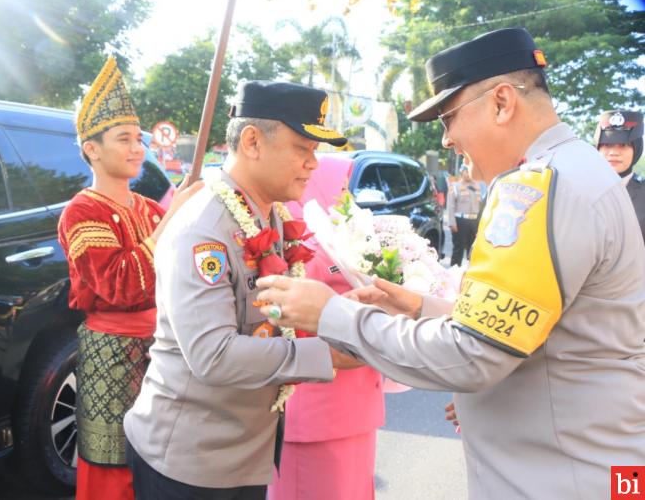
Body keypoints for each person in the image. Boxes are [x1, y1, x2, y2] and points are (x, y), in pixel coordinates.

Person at [256, 28, 645, 499]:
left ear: (502, 102)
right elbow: (543, 331)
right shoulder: (578, 169)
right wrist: (421, 308)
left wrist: (332, 314)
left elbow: (471, 355)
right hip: (588, 465)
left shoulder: (538, 189)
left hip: (562, 475)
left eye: (449, 118)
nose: (446, 141)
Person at [123, 80, 358, 500]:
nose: (312, 164)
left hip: (244, 451)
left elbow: (278, 313)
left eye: (315, 152)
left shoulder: (273, 218)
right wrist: (329, 353)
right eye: (302, 149)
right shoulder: (204, 229)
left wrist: (341, 314)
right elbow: (213, 356)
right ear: (252, 141)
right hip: (191, 462)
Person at [57, 56, 201, 500]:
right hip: (113, 356)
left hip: (162, 350)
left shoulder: (148, 208)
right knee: (112, 472)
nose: (138, 148)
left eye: (138, 139)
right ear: (92, 150)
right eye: (124, 139)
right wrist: (172, 220)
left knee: (157, 468)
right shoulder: (82, 212)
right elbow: (122, 283)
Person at [268, 155, 385, 500]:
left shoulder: (339, 239)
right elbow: (288, 319)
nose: (348, 196)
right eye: (343, 187)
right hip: (317, 407)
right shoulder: (297, 246)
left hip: (355, 401)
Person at [593, 109, 644, 241]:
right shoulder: (580, 191)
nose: (614, 153)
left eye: (623, 145)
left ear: (637, 149)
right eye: (607, 145)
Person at [446, 163, 483, 266]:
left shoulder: (477, 186)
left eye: (469, 171)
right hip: (460, 222)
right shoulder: (455, 186)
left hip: (474, 222)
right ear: (461, 172)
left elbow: (481, 207)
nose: (468, 174)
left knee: (473, 252)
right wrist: (452, 223)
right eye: (465, 171)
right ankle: (453, 276)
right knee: (458, 251)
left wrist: (480, 225)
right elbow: (450, 206)